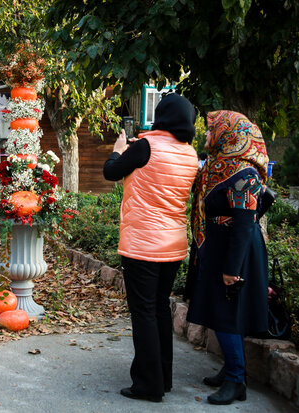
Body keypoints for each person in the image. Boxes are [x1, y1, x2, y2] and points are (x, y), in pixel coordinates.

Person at [103, 93, 198, 403]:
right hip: (173, 245)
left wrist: (117, 151)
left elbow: (111, 172)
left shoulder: (145, 147)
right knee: (158, 309)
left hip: (143, 245)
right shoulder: (190, 154)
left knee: (143, 312)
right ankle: (163, 378)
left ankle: (147, 385)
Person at [186, 111, 269, 405]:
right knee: (221, 313)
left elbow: (245, 223)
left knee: (227, 316)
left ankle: (237, 381)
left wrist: (232, 269)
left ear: (229, 133)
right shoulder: (218, 167)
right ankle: (232, 370)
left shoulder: (244, 174)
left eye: (211, 130)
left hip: (236, 253)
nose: (207, 135)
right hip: (219, 247)